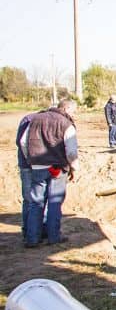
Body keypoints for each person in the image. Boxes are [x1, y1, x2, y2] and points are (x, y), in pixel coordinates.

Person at [19, 99, 79, 248]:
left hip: (38, 166)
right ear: (66, 108)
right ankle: (54, 236)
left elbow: (23, 142)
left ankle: (32, 239)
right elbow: (71, 151)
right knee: (54, 202)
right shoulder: (66, 124)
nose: (74, 114)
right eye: (73, 111)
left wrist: (31, 160)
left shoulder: (35, 119)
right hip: (57, 168)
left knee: (36, 202)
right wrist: (74, 168)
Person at [16, 112, 37, 242]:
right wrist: (31, 159)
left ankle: (31, 232)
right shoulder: (31, 120)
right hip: (31, 165)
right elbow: (22, 142)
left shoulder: (29, 119)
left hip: (31, 164)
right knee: (32, 199)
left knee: (32, 199)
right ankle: (31, 233)